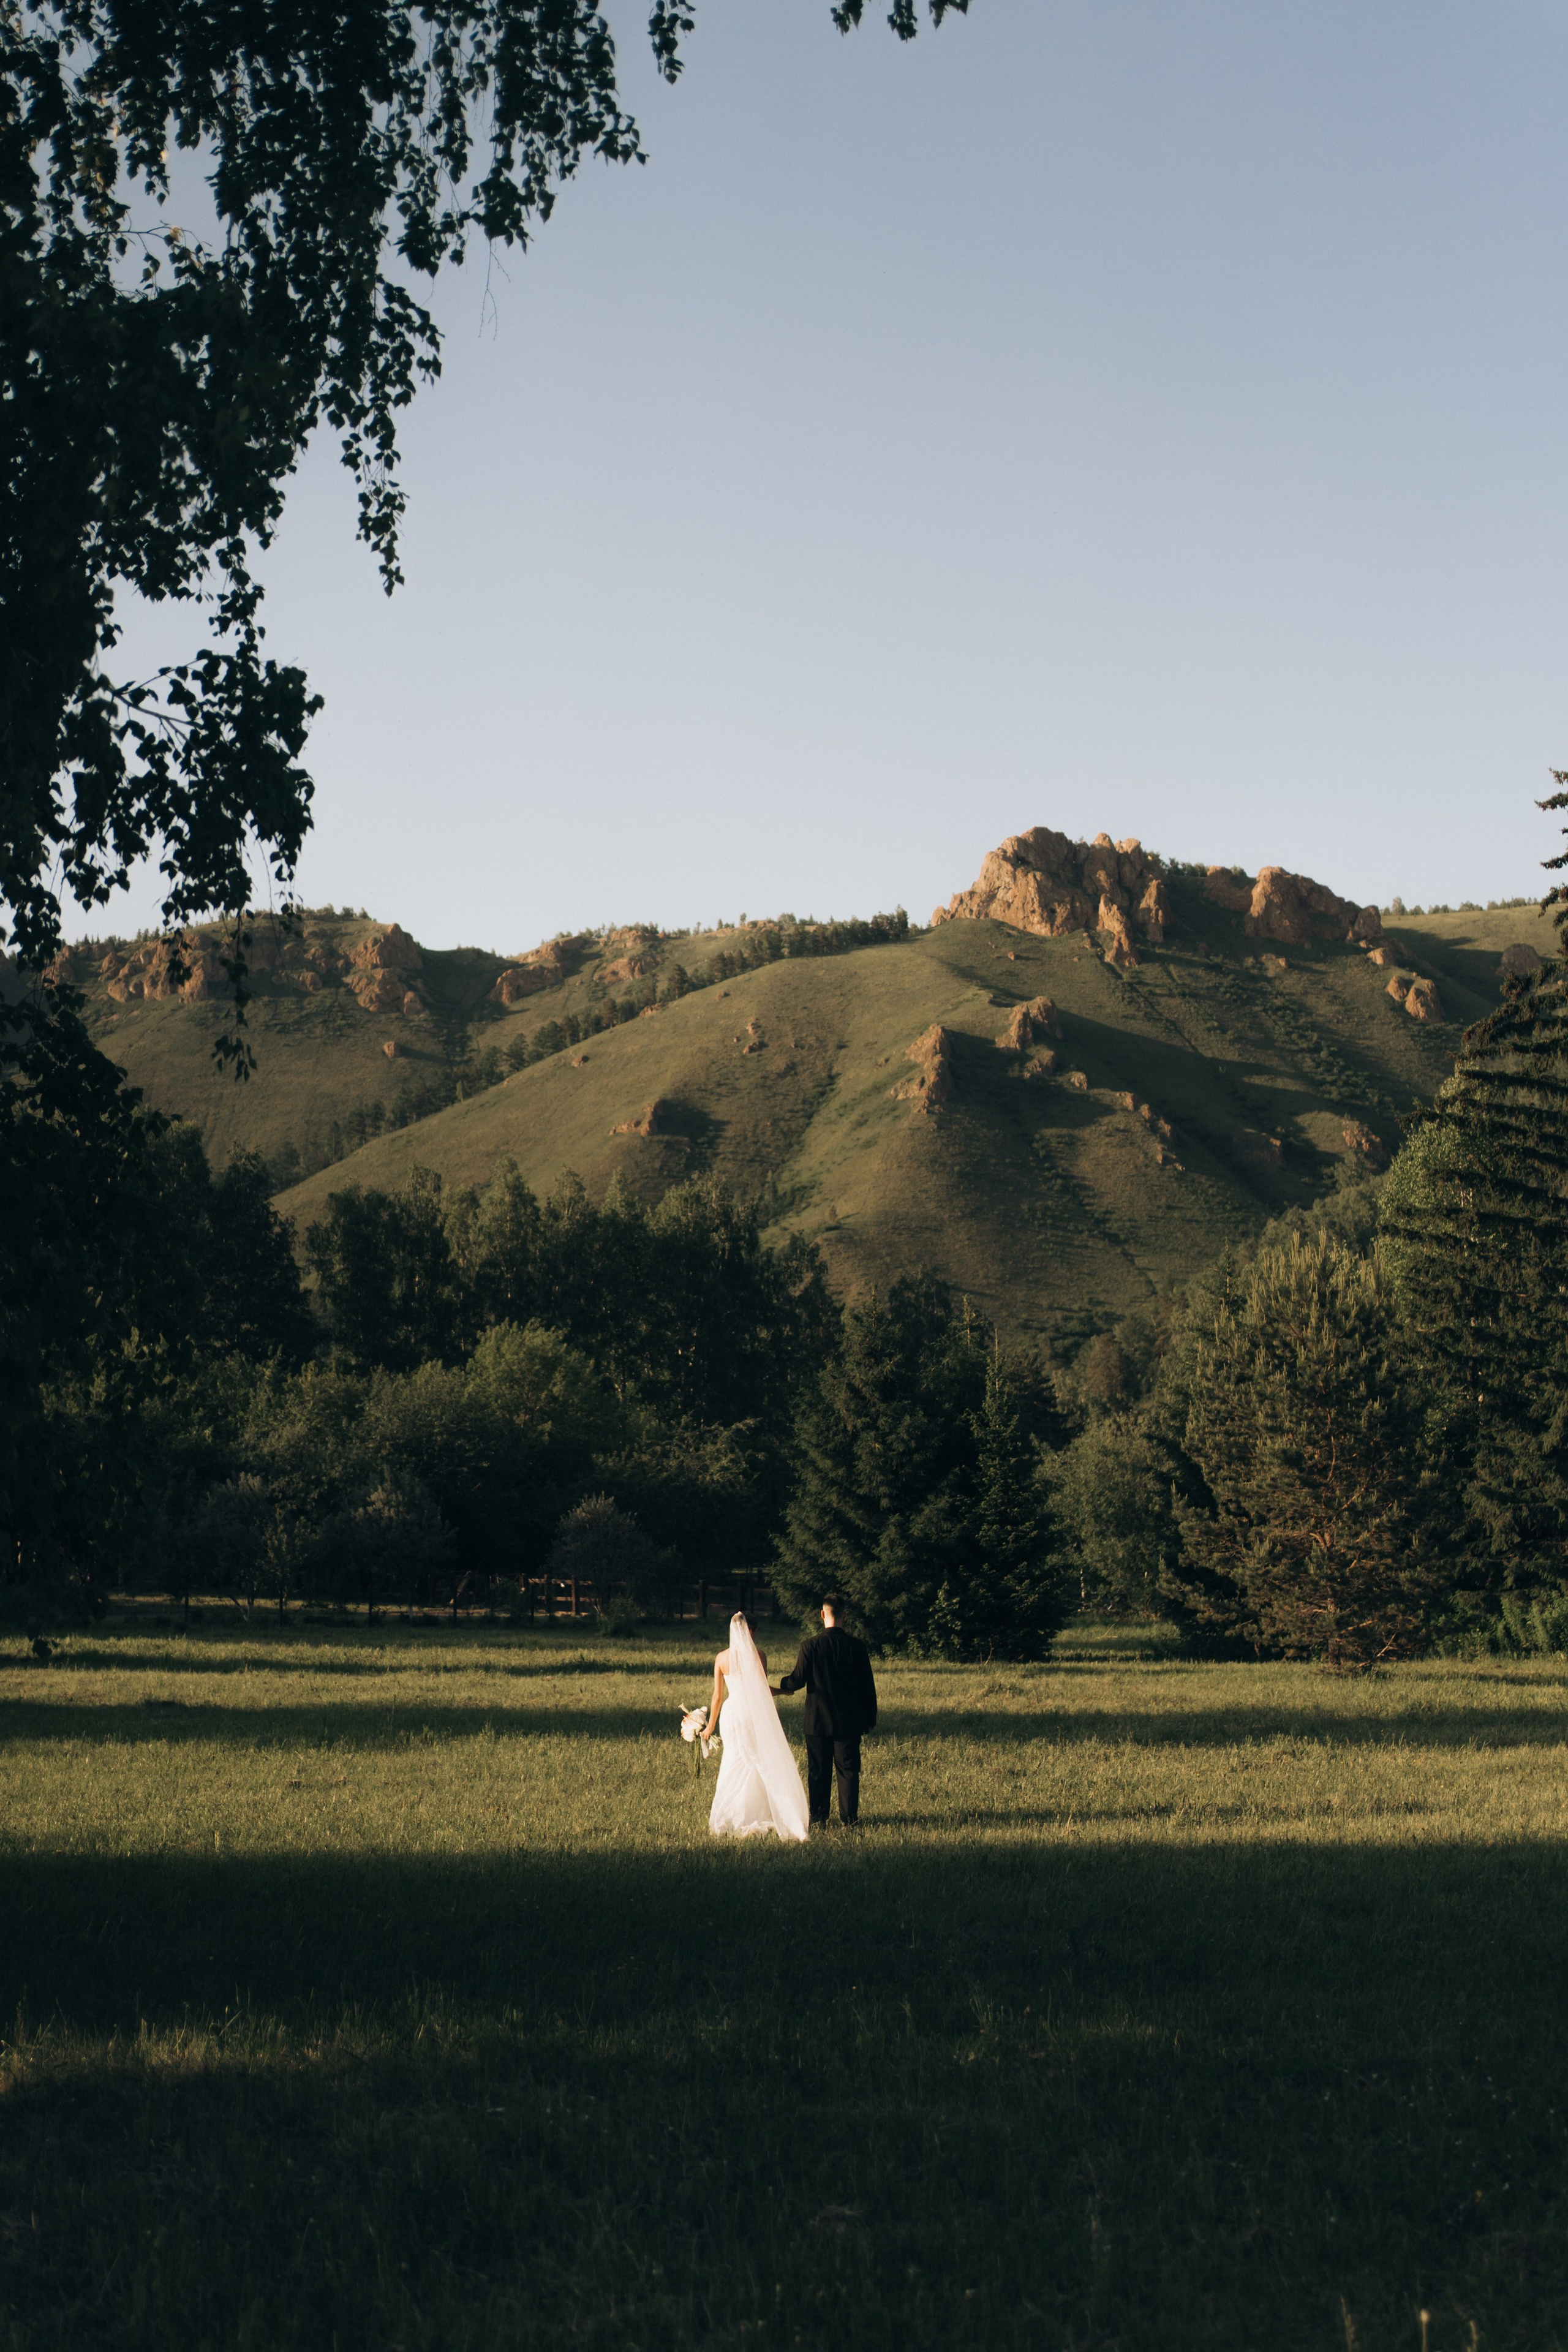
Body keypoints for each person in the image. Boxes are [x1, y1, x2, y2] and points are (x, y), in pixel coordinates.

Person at [705, 1612, 810, 1844]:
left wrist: (710, 1726)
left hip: (732, 1714)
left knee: (736, 1760)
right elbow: (761, 1690)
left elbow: (717, 1697)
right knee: (757, 1760)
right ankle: (765, 1810)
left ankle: (733, 1813)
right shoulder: (759, 1656)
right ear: (751, 1631)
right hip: (751, 1712)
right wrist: (782, 1691)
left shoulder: (721, 1658)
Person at [774, 1594, 878, 1826]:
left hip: (818, 1721)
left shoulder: (810, 1645)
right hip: (849, 1720)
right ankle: (849, 1818)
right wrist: (869, 1718)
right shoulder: (857, 1647)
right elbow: (867, 1686)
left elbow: (798, 1681)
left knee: (819, 1771)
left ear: (822, 1614)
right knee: (849, 1770)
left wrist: (783, 1685)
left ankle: (820, 1817)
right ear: (845, 1615)